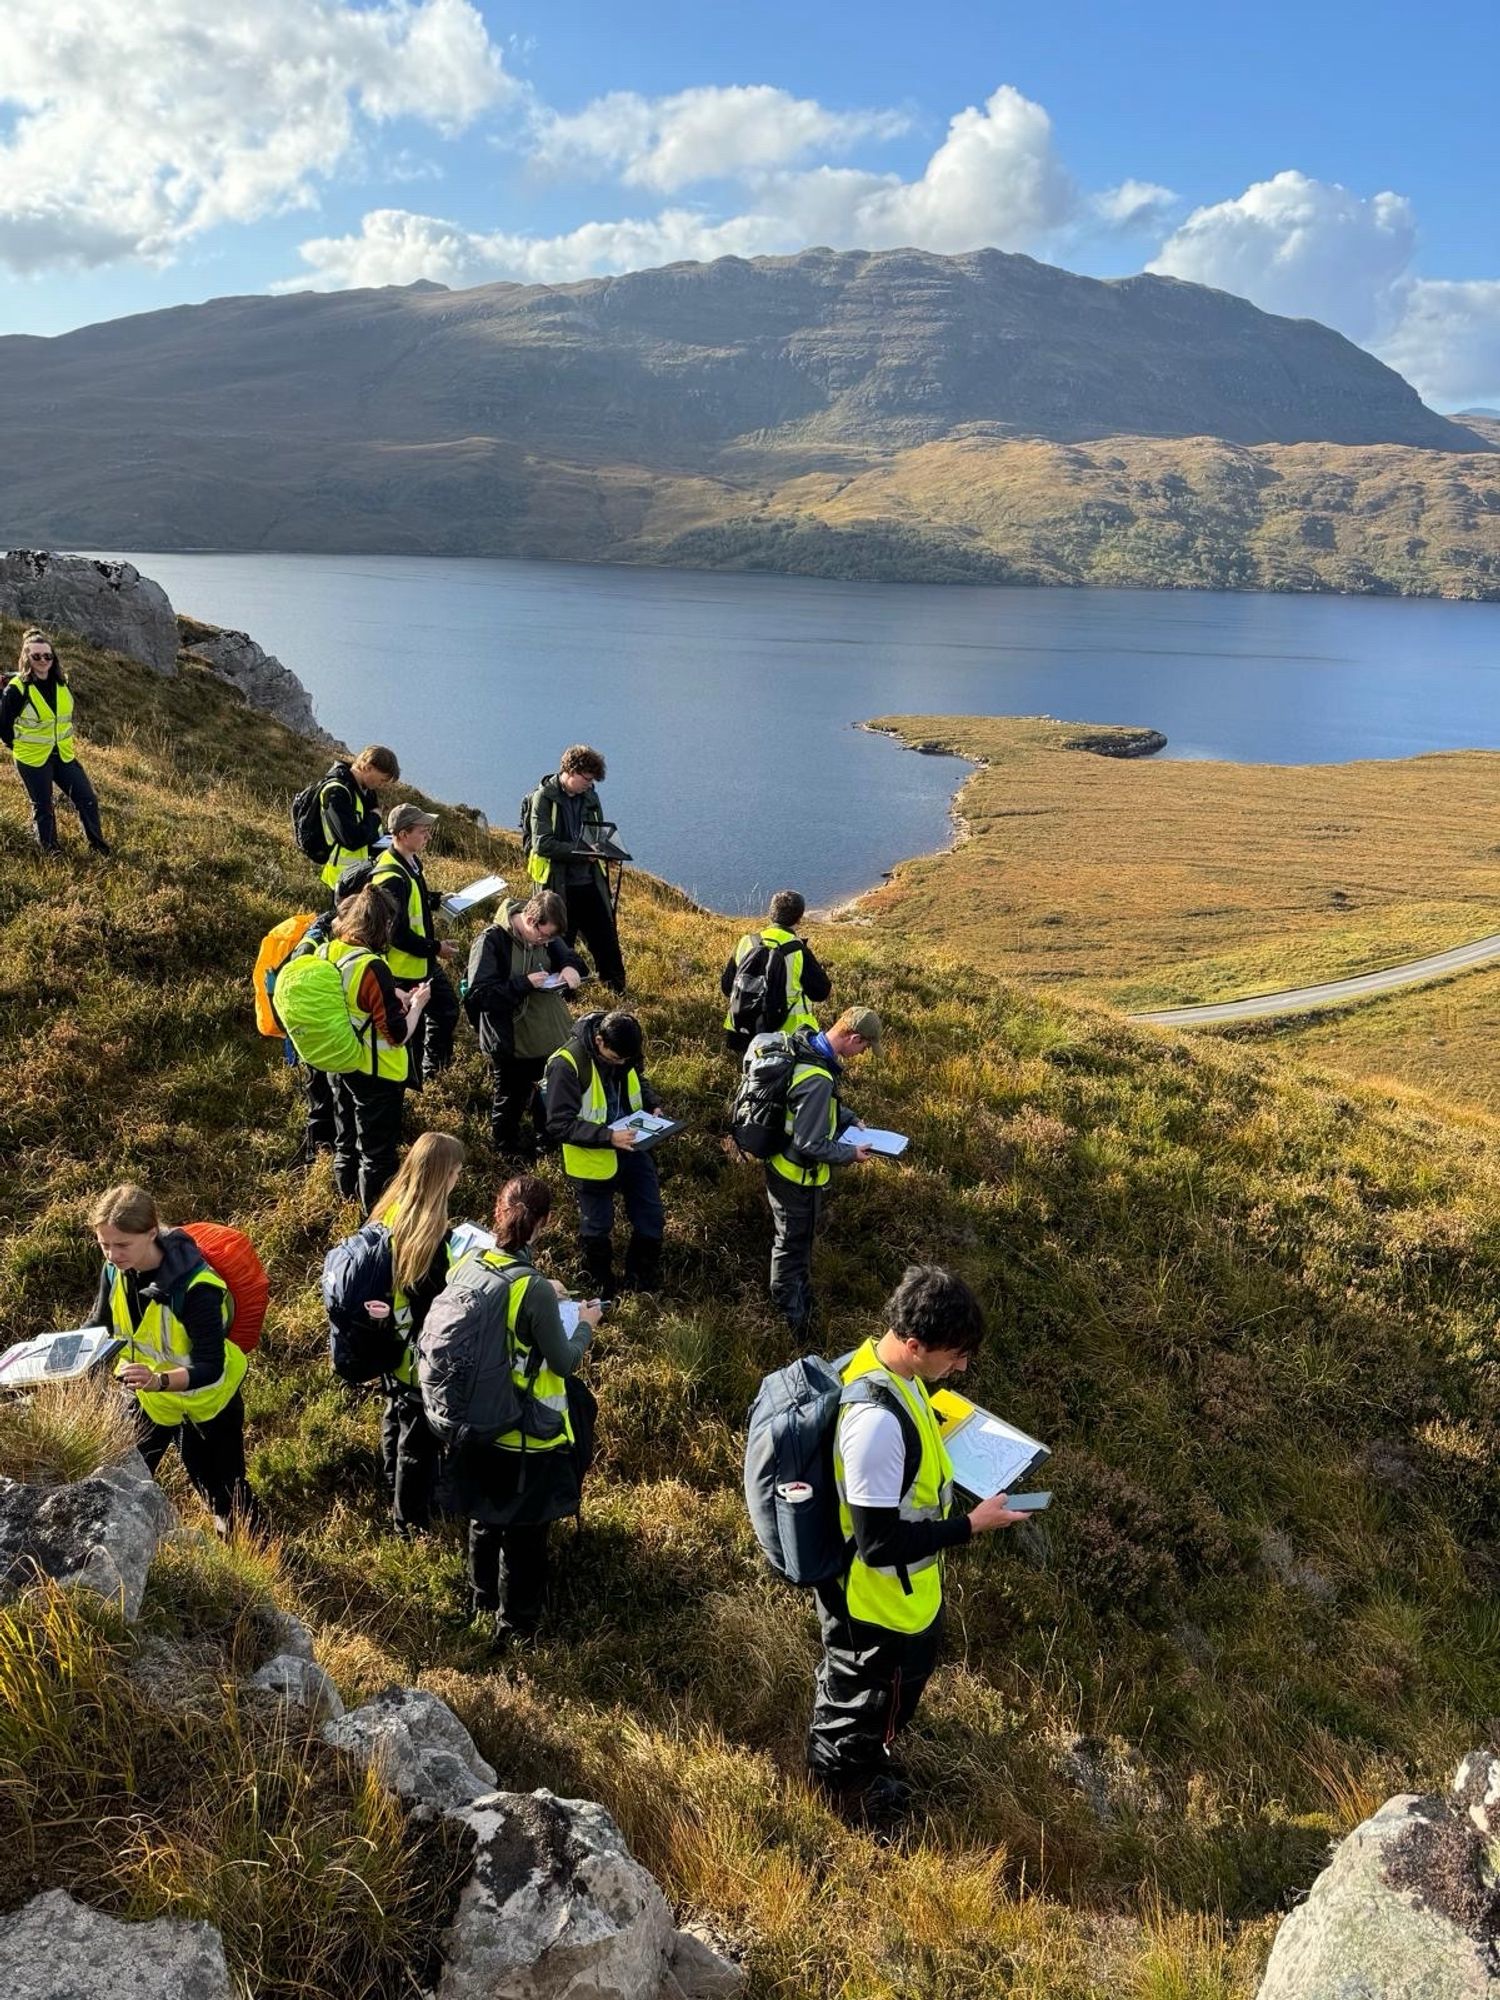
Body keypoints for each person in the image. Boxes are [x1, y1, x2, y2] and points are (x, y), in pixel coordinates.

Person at [807, 1266, 1028, 1825]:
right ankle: (843, 1792)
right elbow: (879, 1545)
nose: (962, 1367)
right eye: (954, 1356)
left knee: (880, 1701)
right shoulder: (876, 1426)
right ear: (913, 1345)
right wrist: (970, 1526)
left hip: (904, 1598)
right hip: (878, 1608)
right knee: (861, 1703)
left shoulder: (891, 1371)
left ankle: (865, 1758)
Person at [431, 1175, 602, 1648]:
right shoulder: (535, 1292)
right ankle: (517, 1628)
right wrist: (585, 1324)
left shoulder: (468, 1264)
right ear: (545, 1222)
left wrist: (544, 1289)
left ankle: (480, 1600)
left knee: (484, 1519)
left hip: (476, 1422)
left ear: (496, 1211)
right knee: (525, 1536)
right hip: (528, 1432)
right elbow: (564, 1362)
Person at [84, 1184, 258, 1532]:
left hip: (206, 1406)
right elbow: (99, 1326)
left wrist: (158, 1379)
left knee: (223, 1494)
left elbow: (211, 1365)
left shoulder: (197, 1288)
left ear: (151, 1233)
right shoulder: (114, 1271)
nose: (112, 1255)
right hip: (148, 1401)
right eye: (104, 1244)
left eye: (122, 1245)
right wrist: (61, 1359)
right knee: (118, 1482)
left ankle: (258, 1555)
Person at [764, 1005, 882, 1334]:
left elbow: (812, 1106)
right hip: (796, 1177)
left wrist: (848, 1116)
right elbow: (810, 1143)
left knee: (796, 1243)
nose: (862, 1054)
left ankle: (799, 1299)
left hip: (783, 1166)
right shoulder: (817, 1077)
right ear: (854, 1038)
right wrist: (850, 1154)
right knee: (790, 1245)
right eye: (864, 1047)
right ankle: (790, 1319)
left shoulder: (809, 1047)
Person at [371, 1132, 466, 1538]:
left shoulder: (388, 1211)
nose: (459, 1179)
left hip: (387, 1341)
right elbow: (434, 1301)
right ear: (443, 1175)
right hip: (415, 1353)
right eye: (457, 1172)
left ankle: (389, 1487)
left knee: (396, 1416)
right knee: (419, 1444)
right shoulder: (430, 1234)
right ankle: (407, 1524)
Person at [543, 1009, 665, 1297]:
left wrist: (652, 1104)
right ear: (598, 1041)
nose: (622, 1064)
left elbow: (638, 1079)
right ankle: (601, 1286)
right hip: (592, 1161)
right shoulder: (566, 1065)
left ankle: (640, 1280)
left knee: (651, 1215)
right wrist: (608, 1136)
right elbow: (558, 1125)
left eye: (627, 1060)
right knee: (596, 1226)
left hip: (634, 1148)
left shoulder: (625, 1048)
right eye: (615, 1059)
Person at [323, 885, 429, 1209]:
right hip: (376, 1071)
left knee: (346, 1140)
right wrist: (417, 1005)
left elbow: (353, 998)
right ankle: (375, 1220)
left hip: (340, 1060)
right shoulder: (373, 966)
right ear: (381, 924)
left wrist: (391, 994)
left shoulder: (332, 950)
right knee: (377, 1153)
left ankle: (347, 1200)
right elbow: (397, 1034)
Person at [463, 889, 587, 1161]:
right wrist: (524, 983)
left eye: (552, 938)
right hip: (511, 1043)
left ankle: (548, 1145)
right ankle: (505, 1151)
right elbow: (478, 995)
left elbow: (569, 956)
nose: (547, 942)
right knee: (511, 1098)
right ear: (530, 920)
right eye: (544, 936)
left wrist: (570, 967)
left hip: (550, 1038)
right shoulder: (491, 941)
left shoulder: (545, 936)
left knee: (550, 1094)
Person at [282, 858, 375, 1167]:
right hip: (325, 1026)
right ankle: (320, 1154)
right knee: (323, 1093)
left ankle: (333, 1153)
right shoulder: (327, 930)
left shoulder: (333, 924)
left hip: (327, 1026)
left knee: (330, 1093)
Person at [371, 804, 460, 1088]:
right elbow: (397, 935)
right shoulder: (390, 877)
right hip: (404, 970)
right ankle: (418, 1082)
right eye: (423, 832)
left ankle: (434, 1071)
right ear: (402, 833)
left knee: (446, 1009)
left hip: (422, 964)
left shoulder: (409, 862)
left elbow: (414, 900)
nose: (428, 837)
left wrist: (435, 899)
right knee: (414, 1031)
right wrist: (436, 948)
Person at [0, 628, 110, 857]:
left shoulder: (62, 683)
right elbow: (3, 726)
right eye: (36, 656)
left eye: (47, 656)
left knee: (86, 798)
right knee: (43, 805)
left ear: (54, 657)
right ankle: (51, 850)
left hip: (63, 754)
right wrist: (18, 746)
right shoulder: (16, 690)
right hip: (32, 758)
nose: (43, 660)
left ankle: (98, 847)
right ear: (26, 659)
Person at [526, 745, 626, 993]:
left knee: (606, 942)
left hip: (591, 884)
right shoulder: (543, 798)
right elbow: (542, 844)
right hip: (558, 887)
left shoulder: (590, 796)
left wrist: (606, 853)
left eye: (593, 780)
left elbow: (597, 833)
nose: (589, 784)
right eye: (586, 778)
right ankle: (561, 995)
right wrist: (584, 853)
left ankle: (617, 992)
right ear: (570, 770)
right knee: (560, 944)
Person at [720, 889, 831, 1054]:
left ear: (771, 914)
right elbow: (821, 992)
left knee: (750, 1077)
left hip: (741, 1032)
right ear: (799, 918)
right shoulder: (798, 950)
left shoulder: (747, 942)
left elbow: (727, 987)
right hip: (785, 1037)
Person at [315, 745, 399, 897]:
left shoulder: (366, 791)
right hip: (341, 879)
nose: (382, 785)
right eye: (382, 779)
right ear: (367, 767)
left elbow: (370, 833)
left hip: (362, 876)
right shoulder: (336, 791)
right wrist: (375, 818)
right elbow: (350, 839)